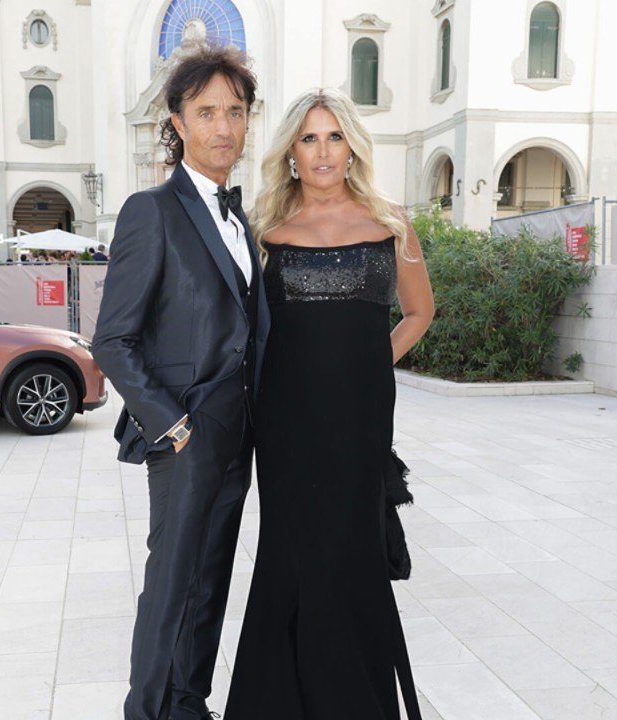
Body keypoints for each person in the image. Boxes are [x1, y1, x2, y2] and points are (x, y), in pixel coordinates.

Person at [225, 88, 434, 720]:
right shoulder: (263, 230)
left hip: (361, 425)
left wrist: (370, 366)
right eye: (309, 138)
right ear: (291, 149)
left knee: (351, 555)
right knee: (293, 558)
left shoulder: (391, 222)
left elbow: (421, 312)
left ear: (352, 148)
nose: (322, 151)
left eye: (335, 136)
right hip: (285, 428)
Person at [93, 44, 268, 720]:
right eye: (207, 112)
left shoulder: (241, 218)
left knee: (210, 580)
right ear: (178, 120)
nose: (224, 126)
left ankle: (187, 703)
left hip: (240, 433)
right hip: (187, 436)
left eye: (235, 111)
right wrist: (173, 426)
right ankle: (149, 711)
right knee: (171, 584)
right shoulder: (152, 211)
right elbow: (112, 337)